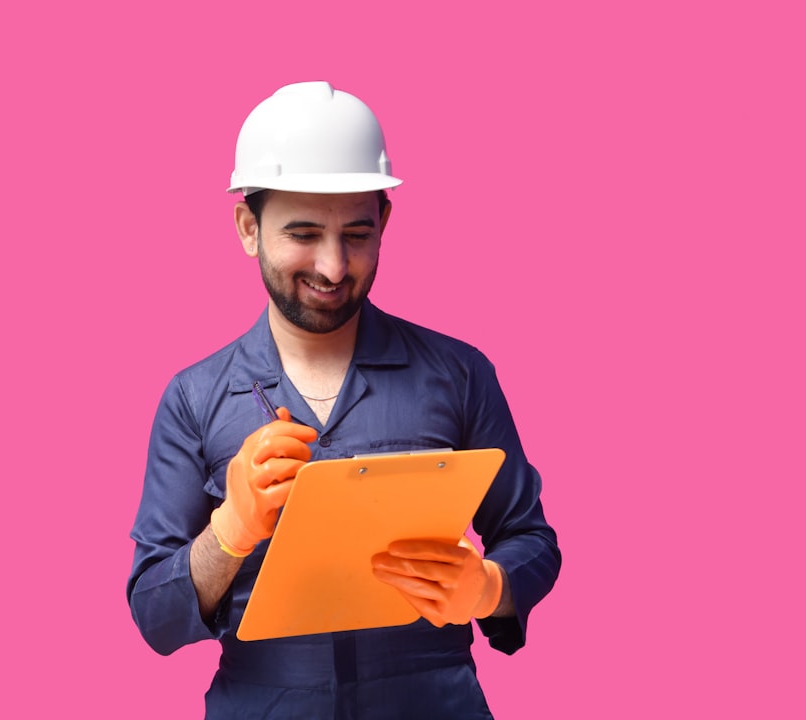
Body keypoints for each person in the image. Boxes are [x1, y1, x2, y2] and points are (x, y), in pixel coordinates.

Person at [127, 81, 560, 719]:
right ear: (249, 228)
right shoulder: (193, 400)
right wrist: (230, 531)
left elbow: (530, 537)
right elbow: (155, 618)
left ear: (385, 222)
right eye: (303, 234)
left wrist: (489, 587)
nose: (333, 267)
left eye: (357, 234)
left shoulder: (460, 374)